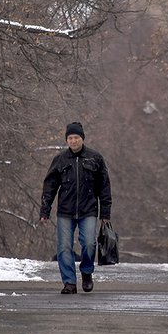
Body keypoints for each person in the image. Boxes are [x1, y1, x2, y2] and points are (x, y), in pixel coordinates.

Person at [39, 122, 112, 294]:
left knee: (89, 243)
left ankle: (86, 272)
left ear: (82, 138)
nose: (73, 141)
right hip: (65, 211)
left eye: (76, 138)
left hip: (89, 210)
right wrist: (45, 210)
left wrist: (105, 212)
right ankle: (69, 283)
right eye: (70, 138)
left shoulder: (95, 158)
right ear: (67, 140)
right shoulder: (60, 159)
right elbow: (49, 186)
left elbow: (104, 186)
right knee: (64, 247)